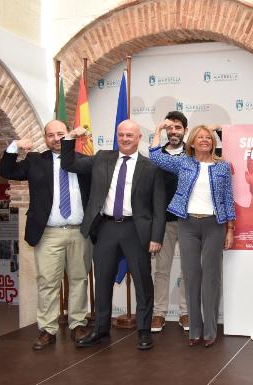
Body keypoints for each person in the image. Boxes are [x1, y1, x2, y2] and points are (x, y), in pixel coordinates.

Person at [62, 119, 166, 350]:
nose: (125, 139)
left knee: (142, 283)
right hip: (106, 228)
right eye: (121, 135)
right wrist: (70, 137)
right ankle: (100, 330)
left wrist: (156, 237)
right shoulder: (102, 158)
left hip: (135, 230)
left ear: (139, 138)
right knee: (102, 281)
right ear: (116, 136)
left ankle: (143, 330)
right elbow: (68, 163)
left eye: (130, 135)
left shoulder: (151, 168)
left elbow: (159, 208)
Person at [0, 120, 92, 350]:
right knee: (48, 283)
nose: (56, 138)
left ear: (68, 135)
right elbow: (6, 171)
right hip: (48, 234)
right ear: (45, 138)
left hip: (80, 232)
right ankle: (47, 329)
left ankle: (77, 323)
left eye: (61, 134)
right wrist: (15, 145)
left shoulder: (84, 160)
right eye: (51, 135)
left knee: (79, 280)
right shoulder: (35, 160)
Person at [149, 125, 235, 347]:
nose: (205, 140)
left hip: (214, 225)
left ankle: (210, 331)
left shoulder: (222, 167)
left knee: (211, 278)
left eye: (208, 138)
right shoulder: (183, 162)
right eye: (200, 137)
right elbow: (155, 156)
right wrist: (158, 130)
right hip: (187, 224)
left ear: (213, 143)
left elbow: (228, 199)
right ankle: (194, 330)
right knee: (191, 276)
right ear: (193, 142)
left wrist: (231, 229)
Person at [151, 111, 189, 333]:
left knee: (188, 269)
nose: (174, 131)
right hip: (163, 221)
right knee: (162, 269)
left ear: (185, 130)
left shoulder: (192, 155)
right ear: (165, 130)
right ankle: (159, 313)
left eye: (178, 127)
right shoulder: (156, 155)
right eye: (170, 128)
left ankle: (186, 312)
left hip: (187, 221)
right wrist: (157, 129)